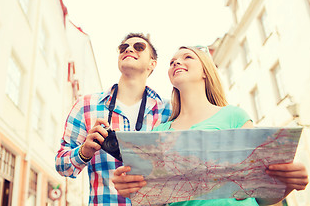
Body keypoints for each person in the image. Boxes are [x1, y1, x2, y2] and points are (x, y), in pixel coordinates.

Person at [112, 46, 309, 206]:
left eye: (187, 56)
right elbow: (156, 202)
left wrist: (287, 185)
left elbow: (261, 196)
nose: (176, 62)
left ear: (205, 71)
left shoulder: (234, 116)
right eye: (172, 62)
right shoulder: (158, 133)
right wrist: (133, 191)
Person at [55, 33, 171, 205]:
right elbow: (62, 166)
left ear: (152, 63)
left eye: (139, 47)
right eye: (124, 48)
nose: (129, 49)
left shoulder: (168, 111)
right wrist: (84, 151)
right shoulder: (86, 105)